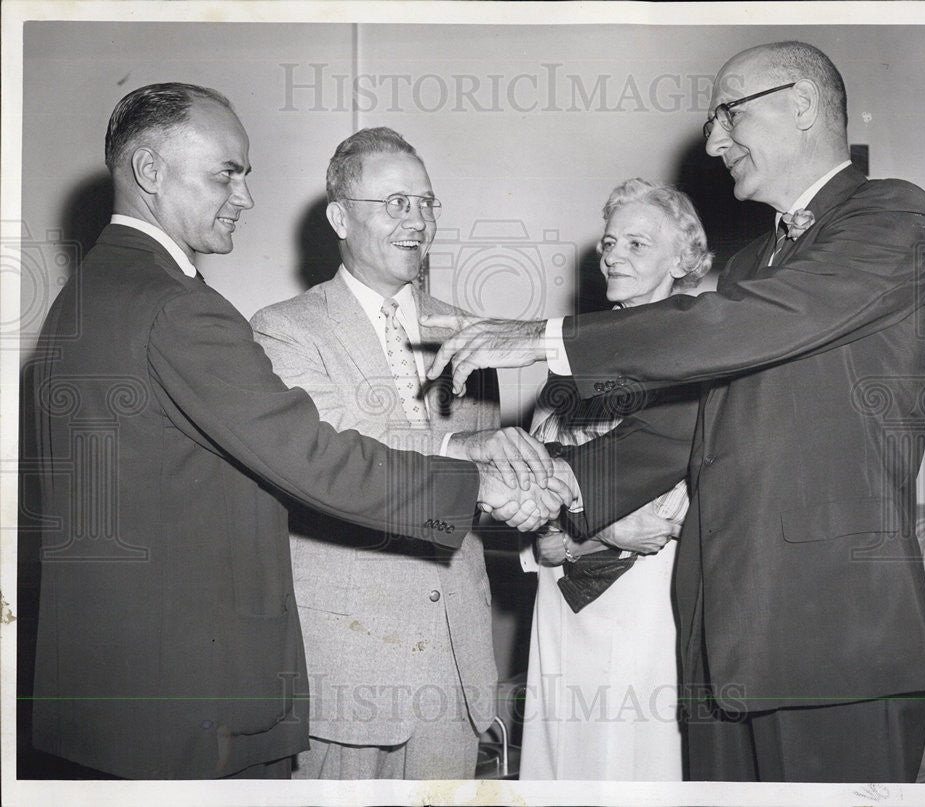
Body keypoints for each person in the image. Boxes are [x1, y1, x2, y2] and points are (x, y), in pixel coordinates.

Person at [425, 41, 925, 782]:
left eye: (729, 115)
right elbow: (680, 427)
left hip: (834, 635)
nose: (711, 143)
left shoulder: (890, 216)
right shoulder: (745, 266)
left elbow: (737, 325)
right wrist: (541, 486)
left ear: (800, 103)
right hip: (716, 636)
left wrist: (545, 337)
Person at [27, 84, 569, 780]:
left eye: (426, 202)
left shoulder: (95, 292)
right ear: (151, 171)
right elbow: (317, 459)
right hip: (197, 690)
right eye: (228, 171)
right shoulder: (184, 310)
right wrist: (477, 478)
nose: (246, 196)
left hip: (134, 690)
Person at [250, 127, 511, 779]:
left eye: (426, 203)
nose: (417, 220)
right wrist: (467, 449)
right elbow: (336, 456)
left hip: (455, 663)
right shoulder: (284, 329)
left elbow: (482, 491)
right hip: (349, 667)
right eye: (395, 202)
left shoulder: (471, 337)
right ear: (341, 217)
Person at [519, 179, 707, 781]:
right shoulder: (572, 355)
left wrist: (586, 532)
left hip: (650, 595)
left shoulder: (702, 354)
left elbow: (679, 507)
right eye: (608, 242)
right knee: (561, 753)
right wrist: (568, 536)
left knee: (635, 756)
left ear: (682, 260)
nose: (613, 255)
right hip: (562, 594)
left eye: (636, 242)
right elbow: (529, 480)